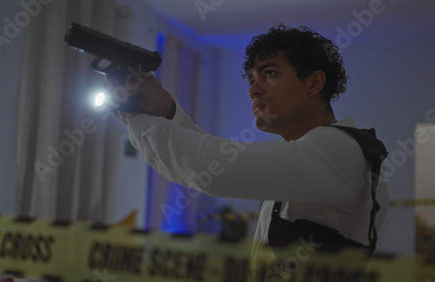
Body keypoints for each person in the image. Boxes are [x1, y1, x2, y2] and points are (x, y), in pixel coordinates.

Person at [107, 23, 389, 278]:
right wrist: (164, 108)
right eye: (251, 78)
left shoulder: (343, 151)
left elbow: (210, 168)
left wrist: (137, 119)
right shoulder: (302, 156)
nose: (253, 90)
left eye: (269, 73)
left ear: (314, 83)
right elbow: (217, 160)